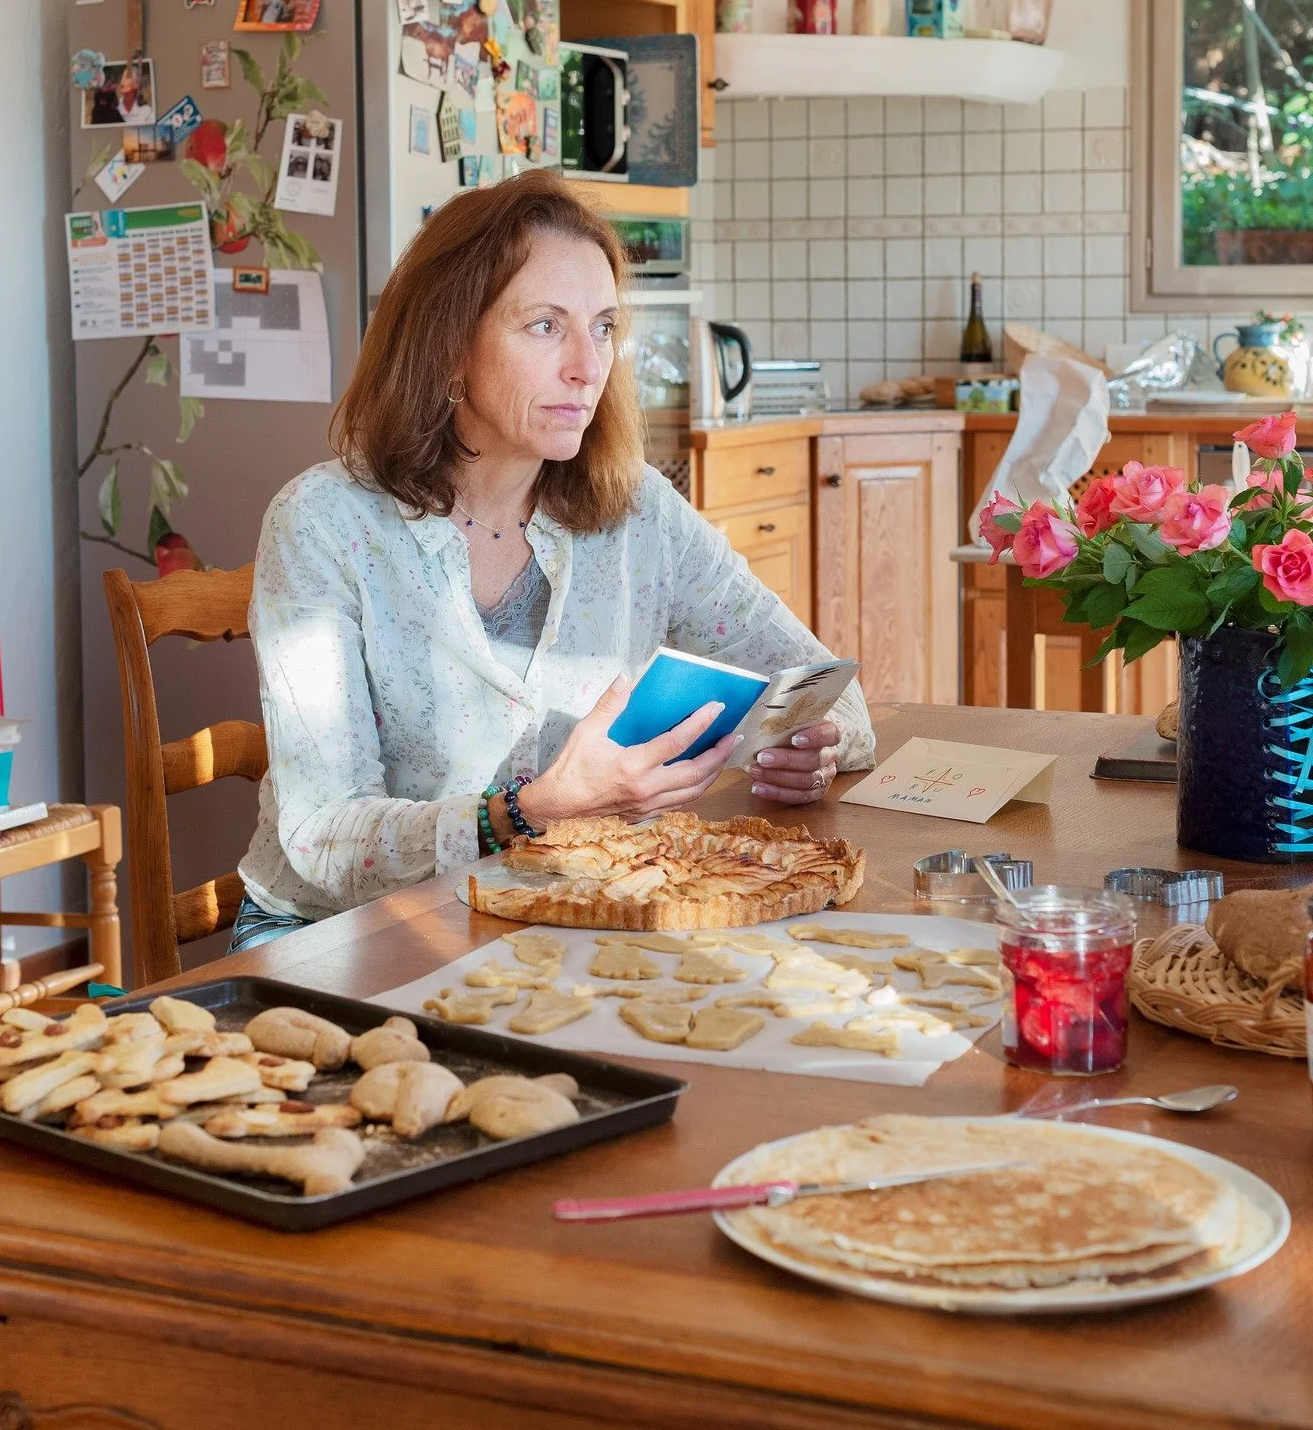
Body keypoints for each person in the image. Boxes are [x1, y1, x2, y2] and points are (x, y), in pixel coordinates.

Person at [231, 171, 874, 951]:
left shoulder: (637, 507)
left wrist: (814, 746)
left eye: (602, 327)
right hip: (340, 938)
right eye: (545, 326)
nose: (586, 365)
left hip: (554, 919)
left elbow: (823, 683)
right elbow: (323, 839)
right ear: (447, 347)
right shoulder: (324, 523)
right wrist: (533, 809)